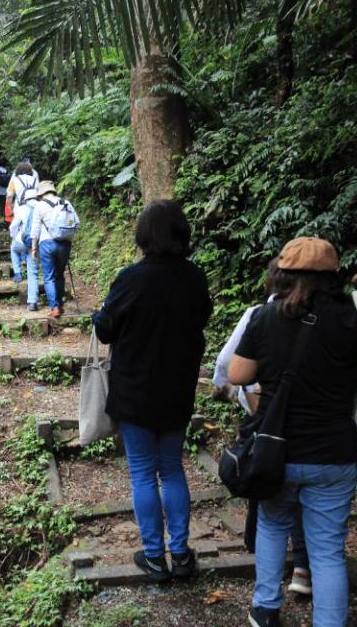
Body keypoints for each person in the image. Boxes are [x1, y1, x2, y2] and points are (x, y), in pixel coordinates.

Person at [228, 237, 357, 627]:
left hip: (276, 452)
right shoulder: (355, 318)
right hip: (333, 454)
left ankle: (265, 609)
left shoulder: (265, 318)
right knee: (328, 550)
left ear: (282, 273)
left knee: (271, 524)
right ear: (333, 276)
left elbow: (237, 375)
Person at [92, 200, 212, 582]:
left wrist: (100, 316)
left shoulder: (131, 279)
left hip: (135, 392)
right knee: (173, 469)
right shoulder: (195, 279)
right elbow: (201, 321)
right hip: (177, 390)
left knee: (143, 473)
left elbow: (106, 329)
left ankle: (153, 557)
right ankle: (180, 554)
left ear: (144, 236)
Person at [212, 257, 312, 597]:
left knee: (273, 497)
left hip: (271, 423)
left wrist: (235, 390)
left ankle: (266, 603)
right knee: (319, 527)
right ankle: (303, 567)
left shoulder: (260, 315)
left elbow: (230, 370)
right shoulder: (339, 318)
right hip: (325, 434)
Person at [29, 181, 79, 318]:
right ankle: (60, 305)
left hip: (46, 244)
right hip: (64, 244)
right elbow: (76, 222)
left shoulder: (39, 206)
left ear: (41, 193)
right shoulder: (65, 202)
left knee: (49, 277)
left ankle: (54, 307)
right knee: (59, 274)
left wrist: (34, 248)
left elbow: (35, 229)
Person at [9, 188, 41, 309]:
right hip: (36, 243)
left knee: (13, 248)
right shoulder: (42, 206)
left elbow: (13, 226)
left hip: (22, 240)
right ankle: (32, 302)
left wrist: (14, 236)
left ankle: (17, 273)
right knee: (33, 272)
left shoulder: (22, 208)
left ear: (25, 198)